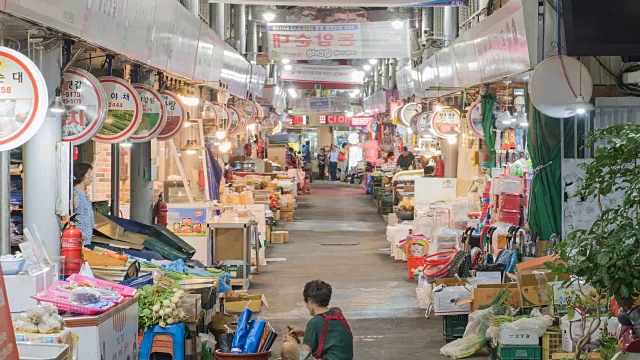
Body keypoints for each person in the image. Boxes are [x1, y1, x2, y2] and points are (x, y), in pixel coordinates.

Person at [281, 280, 353, 360]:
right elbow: (330, 331)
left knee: (287, 348)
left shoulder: (314, 322)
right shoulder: (336, 312)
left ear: (310, 300)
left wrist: (292, 341)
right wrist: (305, 332)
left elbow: (304, 356)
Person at [73, 162, 95, 246]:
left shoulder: (84, 193)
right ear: (81, 175)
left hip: (86, 239)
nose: (91, 177)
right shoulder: (76, 195)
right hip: (78, 240)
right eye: (89, 174)